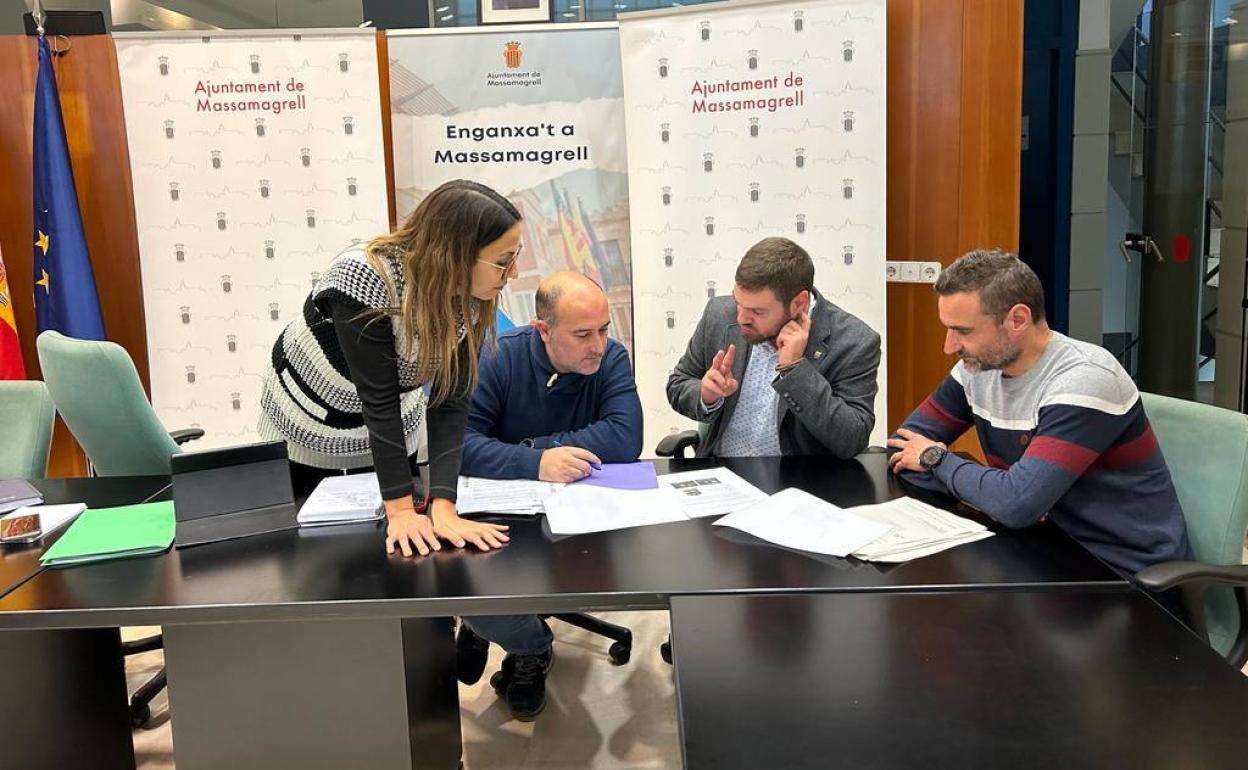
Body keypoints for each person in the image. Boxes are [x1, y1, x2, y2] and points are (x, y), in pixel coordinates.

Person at [887, 248, 1191, 577]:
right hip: (1042, 549)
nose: (949, 346)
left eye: (964, 331)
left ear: (1017, 319)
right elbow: (903, 446)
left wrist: (938, 459)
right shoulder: (977, 369)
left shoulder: (1085, 380)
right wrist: (993, 491)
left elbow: (1015, 503)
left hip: (1122, 574)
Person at [257, 179, 515, 557]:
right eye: (504, 261)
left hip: (388, 426)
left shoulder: (472, 298)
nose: (514, 273)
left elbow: (450, 400)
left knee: (408, 554)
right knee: (321, 559)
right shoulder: (364, 277)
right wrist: (401, 511)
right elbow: (378, 399)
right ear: (457, 254)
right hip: (309, 422)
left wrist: (443, 506)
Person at [456, 270, 643, 720]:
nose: (597, 345)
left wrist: (542, 448)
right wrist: (535, 464)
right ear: (543, 330)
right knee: (467, 584)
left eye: (603, 329)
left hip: (579, 507)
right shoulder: (499, 358)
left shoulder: (611, 358)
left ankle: (509, 636)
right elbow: (459, 444)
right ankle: (532, 645)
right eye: (582, 334)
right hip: (503, 509)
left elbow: (625, 437)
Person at [667, 236, 881, 458]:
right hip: (723, 472)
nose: (741, 318)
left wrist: (795, 370)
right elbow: (679, 383)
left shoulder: (854, 342)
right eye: (738, 303)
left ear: (799, 303)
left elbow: (852, 439)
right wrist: (706, 394)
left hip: (800, 482)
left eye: (757, 312)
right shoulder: (719, 314)